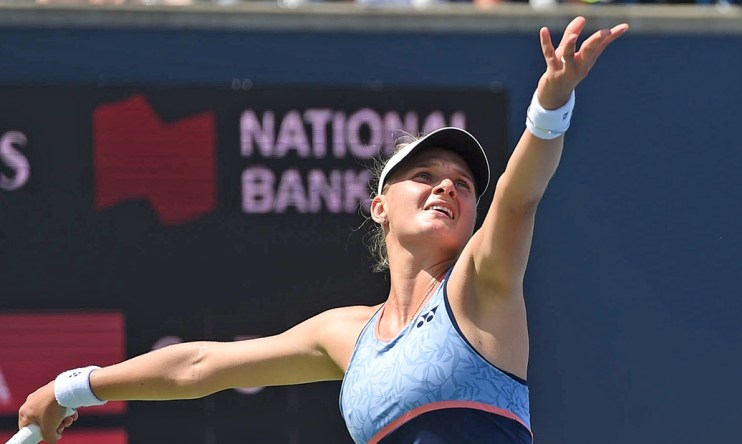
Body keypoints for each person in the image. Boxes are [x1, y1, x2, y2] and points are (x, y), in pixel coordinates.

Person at [16, 16, 628, 444]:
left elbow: (518, 202)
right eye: (425, 175)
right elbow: (200, 365)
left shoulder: (479, 288)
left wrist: (549, 109)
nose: (447, 186)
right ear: (380, 206)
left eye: (463, 184)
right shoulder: (345, 335)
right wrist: (71, 389)